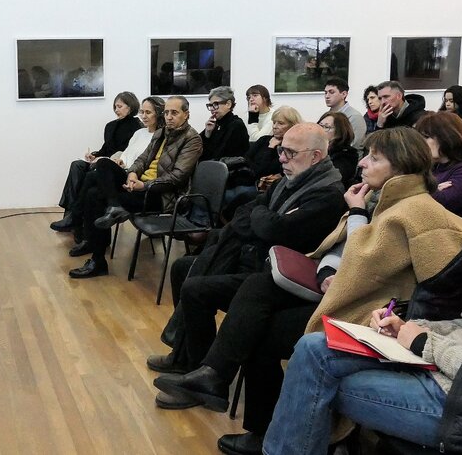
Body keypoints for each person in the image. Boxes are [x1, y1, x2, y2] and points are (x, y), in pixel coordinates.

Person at [153, 128, 462, 455]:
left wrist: (357, 217)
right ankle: (216, 378)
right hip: (342, 300)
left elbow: (437, 290)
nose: (362, 163)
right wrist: (329, 270)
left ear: (402, 165)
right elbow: (337, 250)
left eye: (374, 158)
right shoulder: (375, 198)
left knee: (257, 326)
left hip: (372, 318)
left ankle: (232, 395)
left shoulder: (417, 211)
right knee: (257, 289)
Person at [263, 148, 462, 455]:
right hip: (443, 365)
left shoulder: (422, 215)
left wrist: (423, 342)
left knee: (317, 380)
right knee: (313, 348)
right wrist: (411, 326)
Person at [147, 123, 347, 378]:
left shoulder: (327, 195)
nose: (282, 158)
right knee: (183, 267)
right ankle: (186, 356)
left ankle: (197, 367)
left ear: (316, 156)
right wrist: (263, 218)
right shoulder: (288, 182)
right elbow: (244, 213)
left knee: (196, 288)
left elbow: (277, 230)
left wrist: (262, 218)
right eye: (281, 151)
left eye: (290, 153)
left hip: (273, 278)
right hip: (253, 257)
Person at [68, 96, 202, 278]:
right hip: (139, 186)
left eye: (174, 113)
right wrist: (132, 174)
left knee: (94, 195)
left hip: (160, 196)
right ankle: (114, 207)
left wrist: (144, 185)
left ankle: (98, 259)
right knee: (104, 164)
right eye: (167, 112)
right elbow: (142, 160)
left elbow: (177, 177)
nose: (169, 116)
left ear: (186, 115)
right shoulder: (161, 133)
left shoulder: (192, 139)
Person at [65, 96, 164, 246]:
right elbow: (125, 154)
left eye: (148, 112)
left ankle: (77, 216)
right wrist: (115, 158)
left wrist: (118, 163)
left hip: (134, 179)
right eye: (142, 112)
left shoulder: (157, 135)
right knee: (84, 174)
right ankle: (87, 236)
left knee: (97, 173)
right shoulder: (138, 133)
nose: (143, 115)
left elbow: (144, 163)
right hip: (122, 169)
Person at [50, 92, 142, 232]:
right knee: (77, 165)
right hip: (104, 161)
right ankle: (71, 214)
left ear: (130, 107)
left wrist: (105, 159)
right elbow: (105, 149)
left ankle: (75, 217)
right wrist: (94, 155)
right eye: (115, 107)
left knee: (91, 173)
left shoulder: (138, 128)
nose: (116, 110)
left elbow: (130, 153)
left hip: (117, 164)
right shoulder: (110, 126)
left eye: (120, 106)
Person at [416, 112, 462, 228]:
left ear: (446, 137)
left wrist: (427, 191)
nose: (420, 144)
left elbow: (438, 205)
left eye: (426, 137)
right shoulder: (434, 168)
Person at [224, 106, 303, 208]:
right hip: (243, 180)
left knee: (237, 196)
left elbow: (261, 171)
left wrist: (270, 148)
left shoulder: (289, 149)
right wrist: (255, 166)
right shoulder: (264, 140)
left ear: (292, 126)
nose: (275, 126)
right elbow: (245, 160)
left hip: (260, 187)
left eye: (281, 123)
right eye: (274, 122)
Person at [200, 86, 249, 161]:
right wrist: (207, 133)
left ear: (228, 104)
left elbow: (219, 153)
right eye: (210, 105)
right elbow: (198, 148)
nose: (212, 109)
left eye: (215, 104)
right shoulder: (214, 124)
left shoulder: (236, 125)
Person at [317, 111, 359, 187]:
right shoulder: (314, 149)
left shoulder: (347, 155)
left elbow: (332, 178)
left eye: (326, 127)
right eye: (320, 126)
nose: (321, 130)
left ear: (339, 132)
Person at [323, 77, 366, 150]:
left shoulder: (354, 117)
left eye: (331, 92)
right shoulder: (326, 116)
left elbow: (354, 145)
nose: (327, 96)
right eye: (325, 92)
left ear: (344, 94)